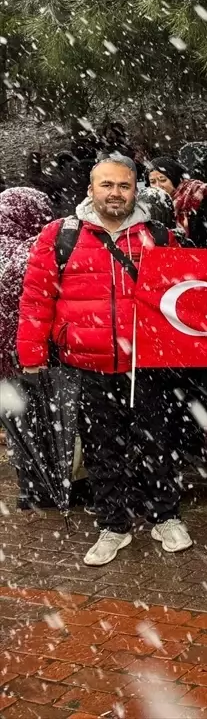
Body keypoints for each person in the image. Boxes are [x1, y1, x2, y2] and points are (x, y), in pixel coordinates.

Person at [17, 156, 189, 566]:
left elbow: (183, 294)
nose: (115, 193)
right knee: (101, 449)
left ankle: (165, 516)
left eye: (124, 186)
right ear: (91, 189)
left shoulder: (159, 235)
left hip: (145, 364)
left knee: (157, 443)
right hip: (87, 364)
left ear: (135, 190)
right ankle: (113, 524)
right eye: (107, 185)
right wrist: (31, 353)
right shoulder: (61, 236)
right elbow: (37, 297)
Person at [0, 188, 55, 509]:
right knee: (43, 423)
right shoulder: (31, 251)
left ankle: (29, 488)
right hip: (29, 355)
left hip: (3, 362)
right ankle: (46, 488)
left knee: (16, 423)